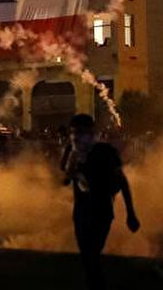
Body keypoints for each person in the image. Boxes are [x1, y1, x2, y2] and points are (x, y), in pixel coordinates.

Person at [62, 114, 140, 290]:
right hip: (80, 213)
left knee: (92, 256)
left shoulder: (106, 151)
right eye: (73, 132)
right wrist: (73, 167)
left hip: (101, 212)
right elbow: (66, 180)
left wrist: (131, 214)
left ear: (91, 133)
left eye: (81, 132)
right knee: (87, 259)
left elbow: (122, 182)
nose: (76, 136)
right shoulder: (71, 151)